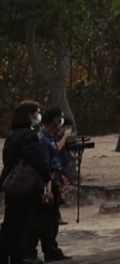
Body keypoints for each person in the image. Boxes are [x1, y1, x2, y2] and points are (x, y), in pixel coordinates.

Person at [1, 101, 53, 264]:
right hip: (27, 185)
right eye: (37, 113)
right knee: (24, 223)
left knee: (10, 222)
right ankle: (20, 256)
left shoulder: (12, 136)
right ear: (29, 116)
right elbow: (38, 160)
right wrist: (46, 179)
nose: (39, 116)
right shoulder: (29, 136)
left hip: (11, 183)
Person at [35, 108, 72, 263]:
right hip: (48, 180)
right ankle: (48, 249)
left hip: (56, 178)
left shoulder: (51, 136)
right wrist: (65, 137)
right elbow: (54, 150)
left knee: (53, 218)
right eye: (59, 119)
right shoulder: (43, 138)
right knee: (48, 218)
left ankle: (52, 248)